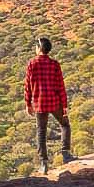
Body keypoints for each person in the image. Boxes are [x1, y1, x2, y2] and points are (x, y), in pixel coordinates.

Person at [25, 36, 72, 174]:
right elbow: (60, 86)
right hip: (54, 101)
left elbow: (27, 86)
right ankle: (66, 154)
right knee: (65, 125)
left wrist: (28, 103)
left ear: (39, 48)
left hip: (39, 103)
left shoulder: (31, 64)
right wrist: (64, 105)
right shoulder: (54, 64)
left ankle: (44, 164)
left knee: (41, 132)